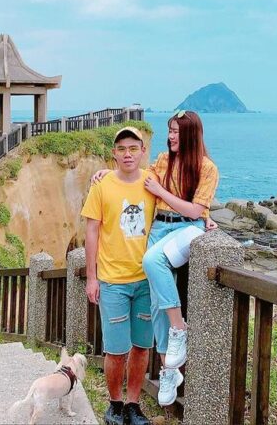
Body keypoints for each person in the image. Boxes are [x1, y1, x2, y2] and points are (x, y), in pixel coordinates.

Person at [92, 110, 219, 407]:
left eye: (175, 131)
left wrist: (203, 216)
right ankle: (169, 369)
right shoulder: (164, 160)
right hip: (160, 226)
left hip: (186, 229)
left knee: (151, 262)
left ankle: (179, 329)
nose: (171, 136)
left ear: (189, 133)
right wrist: (107, 173)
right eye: (170, 130)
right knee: (155, 302)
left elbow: (193, 211)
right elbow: (136, 176)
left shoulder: (208, 168)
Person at [81, 126, 155, 425]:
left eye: (133, 148)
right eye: (122, 148)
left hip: (146, 280)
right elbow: (91, 231)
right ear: (114, 153)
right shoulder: (102, 185)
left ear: (142, 151)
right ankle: (114, 403)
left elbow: (184, 194)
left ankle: (133, 405)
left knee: (141, 346)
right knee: (116, 349)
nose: (127, 154)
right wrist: (91, 277)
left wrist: (207, 218)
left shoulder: (153, 181)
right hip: (112, 281)